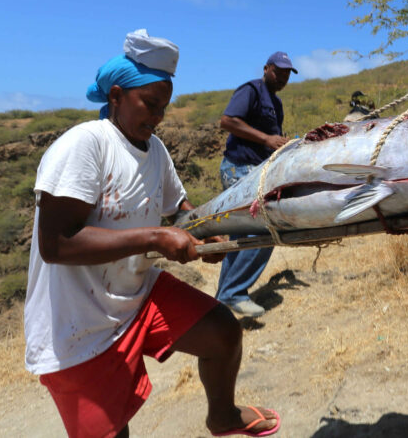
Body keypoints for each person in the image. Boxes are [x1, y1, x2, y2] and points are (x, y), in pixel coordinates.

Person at [24, 29, 280, 438]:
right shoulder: (85, 145)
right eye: (150, 104)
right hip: (77, 322)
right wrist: (154, 238)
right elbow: (56, 244)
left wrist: (205, 234)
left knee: (222, 331)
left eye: (164, 106)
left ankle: (223, 416)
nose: (158, 116)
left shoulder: (154, 150)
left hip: (136, 295)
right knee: (112, 430)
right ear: (116, 97)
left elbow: (178, 211)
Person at [214, 51, 296, 318]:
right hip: (239, 168)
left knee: (242, 235)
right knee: (265, 226)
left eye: (287, 74)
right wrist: (266, 139)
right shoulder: (251, 90)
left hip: (257, 171)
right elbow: (227, 121)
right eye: (279, 71)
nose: (282, 77)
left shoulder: (277, 103)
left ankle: (223, 298)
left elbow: (272, 139)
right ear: (266, 68)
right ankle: (234, 292)